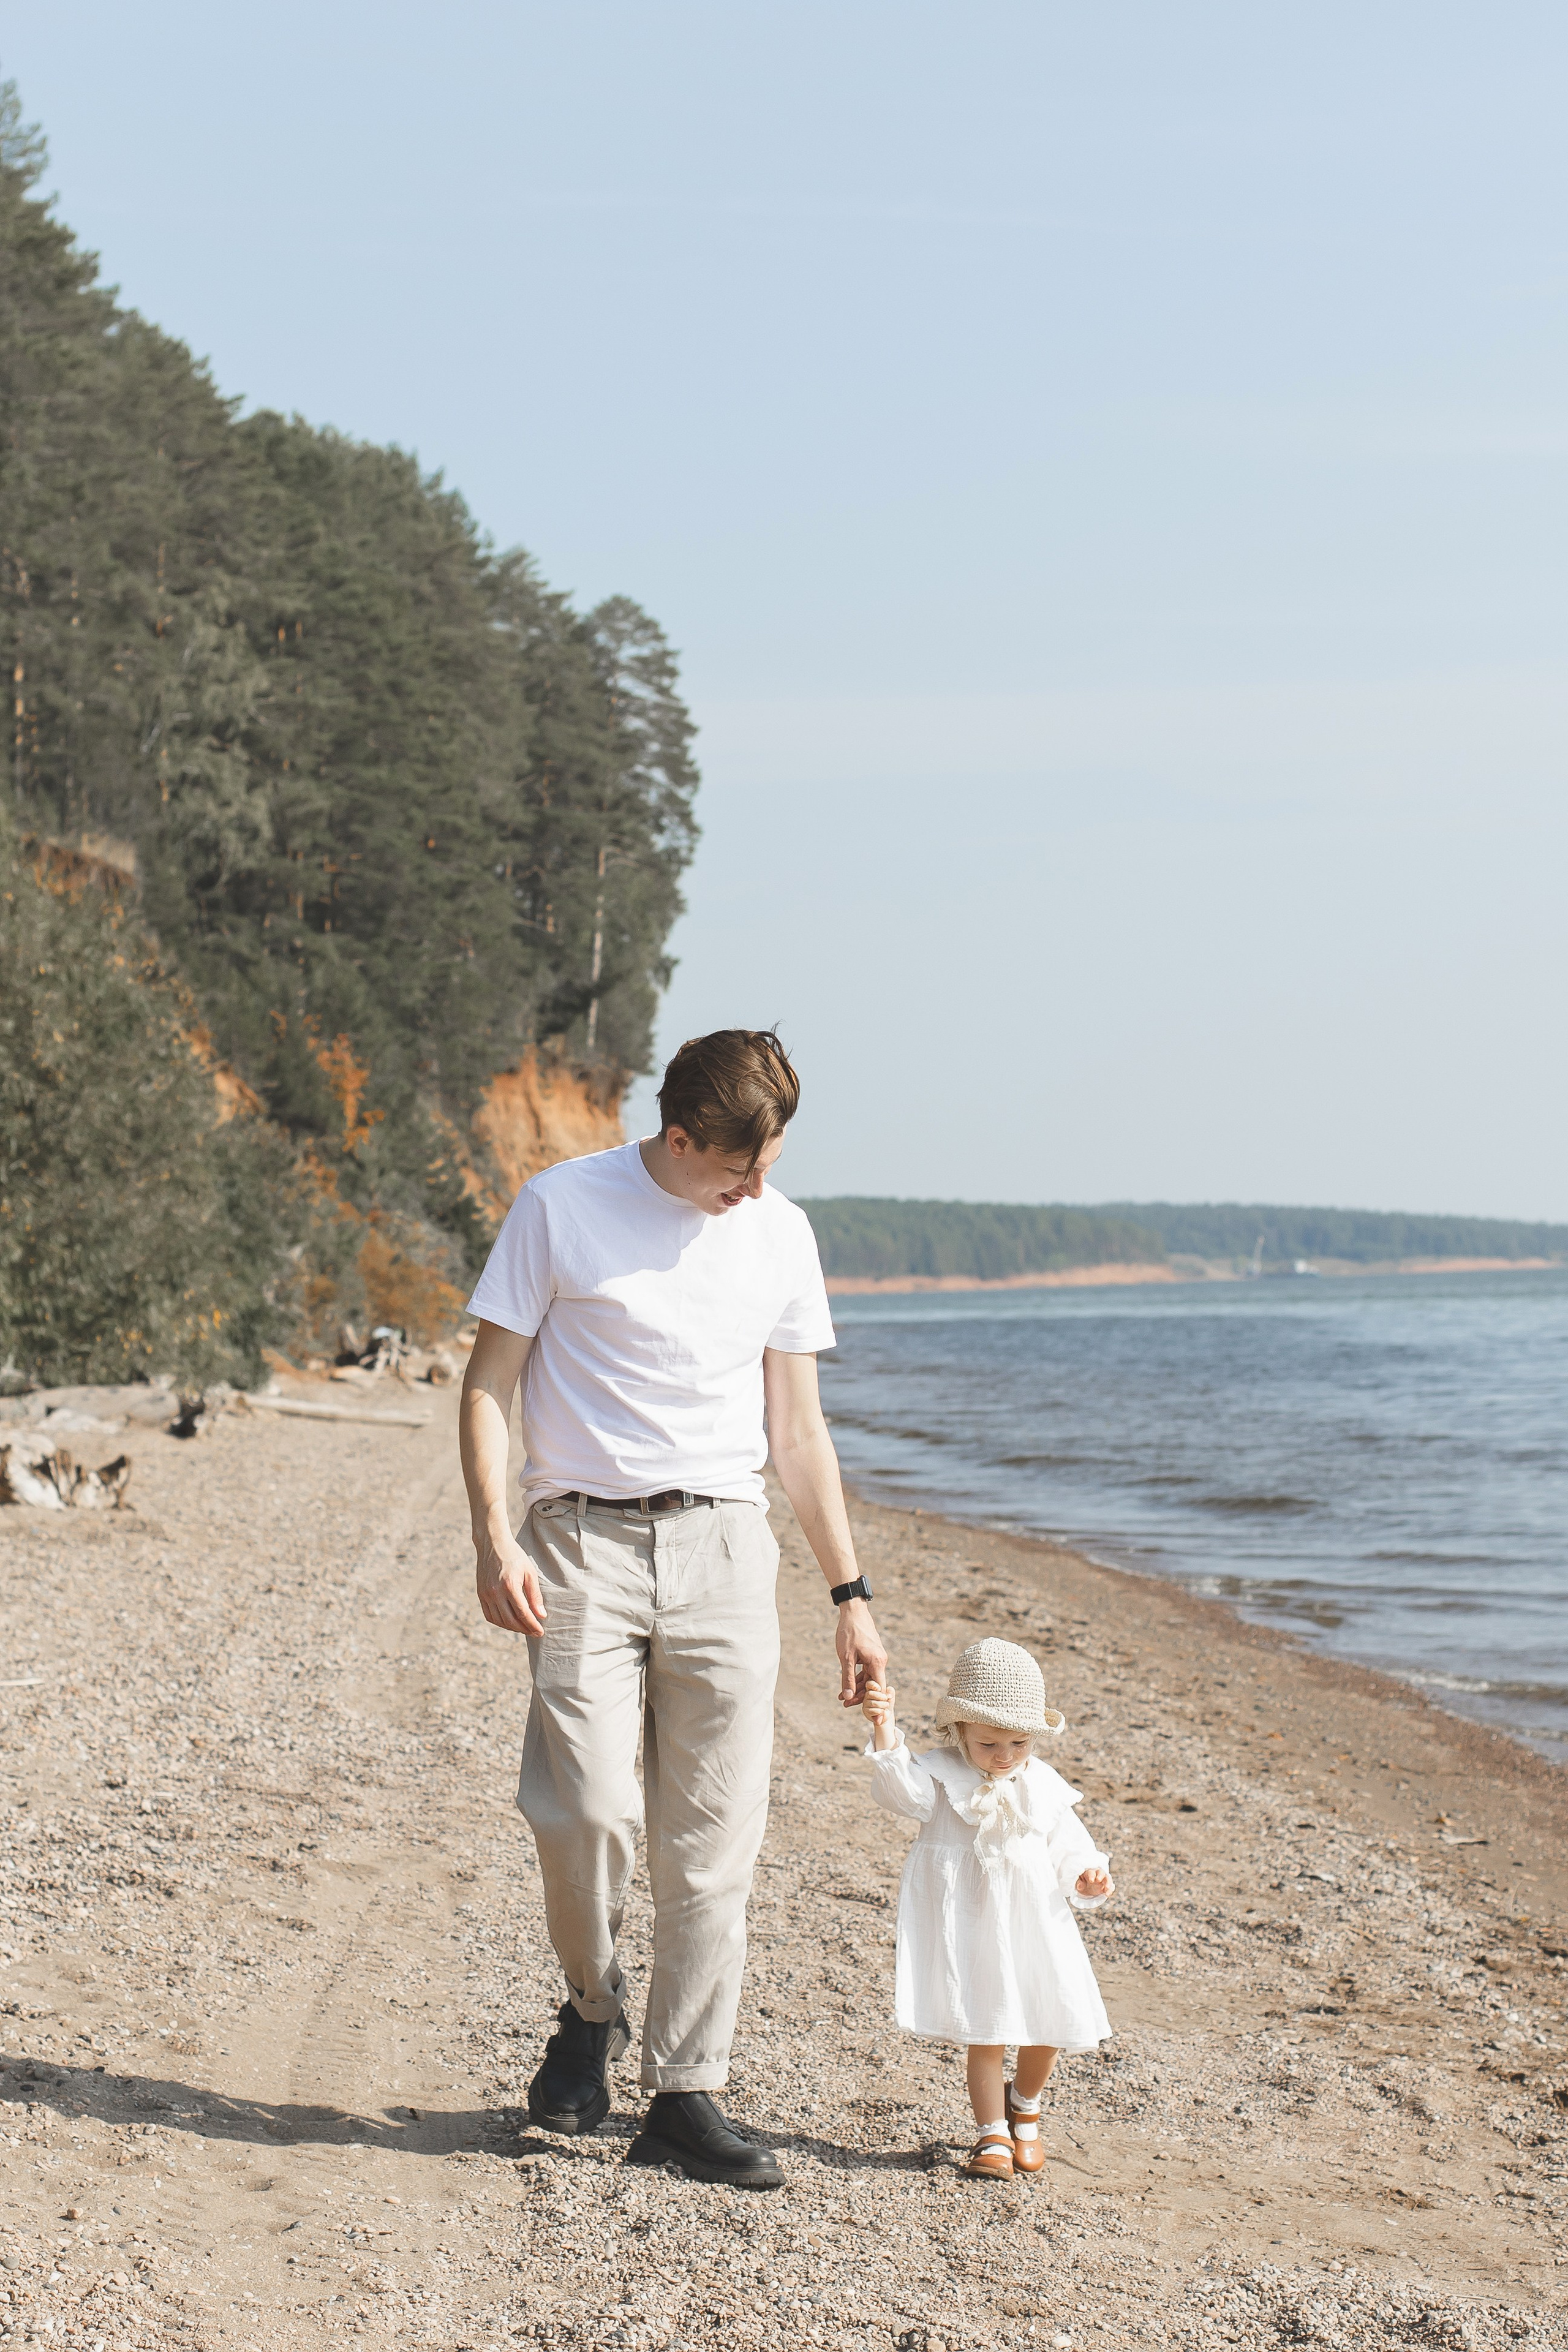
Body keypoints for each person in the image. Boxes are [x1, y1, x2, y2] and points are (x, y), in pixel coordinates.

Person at [458, 1028, 888, 2189]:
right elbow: (489, 1383)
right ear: (680, 1136)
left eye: (771, 1167)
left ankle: (686, 2092)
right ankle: (590, 2009)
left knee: (713, 1843)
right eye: (737, 1171)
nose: (754, 1191)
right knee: (586, 1813)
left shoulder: (781, 1231)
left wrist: (850, 1595)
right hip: (579, 1544)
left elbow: (798, 1432)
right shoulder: (562, 1206)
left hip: (726, 1549)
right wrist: (494, 1537)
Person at [860, 1637, 1114, 2180]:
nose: (1005, 1756)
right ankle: (992, 2133)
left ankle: (1024, 2104)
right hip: (973, 1921)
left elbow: (1070, 1844)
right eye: (988, 1743)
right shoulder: (939, 1775)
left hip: (1036, 1919)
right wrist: (884, 1726)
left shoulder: (1041, 1783)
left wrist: (1088, 1874)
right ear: (959, 1732)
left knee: (1051, 2018)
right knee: (989, 2024)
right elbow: (899, 1792)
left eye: (1019, 1742)